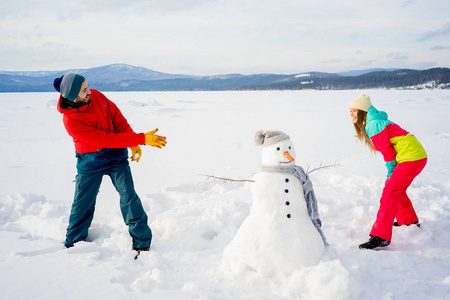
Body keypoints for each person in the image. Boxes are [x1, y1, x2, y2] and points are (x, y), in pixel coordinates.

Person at [54, 73, 167, 253]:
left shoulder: (97, 96)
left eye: (88, 86)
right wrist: (142, 138)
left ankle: (142, 243)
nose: (89, 91)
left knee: (129, 196)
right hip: (90, 161)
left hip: (116, 156)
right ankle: (74, 244)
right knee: (83, 203)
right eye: (84, 90)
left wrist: (133, 142)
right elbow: (104, 139)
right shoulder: (71, 121)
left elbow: (117, 118)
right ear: (72, 96)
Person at [349, 94, 427, 250]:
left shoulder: (373, 125)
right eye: (350, 111)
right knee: (396, 189)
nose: (351, 115)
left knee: (390, 192)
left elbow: (388, 153)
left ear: (362, 111)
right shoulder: (376, 121)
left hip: (411, 158)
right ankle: (408, 220)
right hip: (416, 156)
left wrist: (391, 172)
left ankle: (380, 236)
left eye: (354, 111)